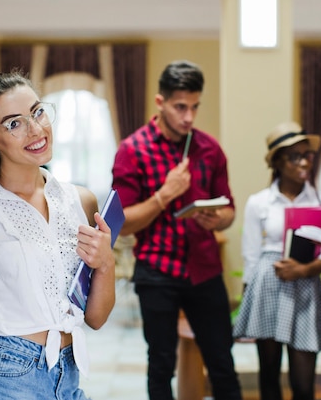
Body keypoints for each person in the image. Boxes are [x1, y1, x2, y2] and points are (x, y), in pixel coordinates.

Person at [0, 71, 116, 400]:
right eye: (14, 123)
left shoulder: (81, 201)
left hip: (67, 376)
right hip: (6, 380)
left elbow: (96, 319)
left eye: (37, 112)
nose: (35, 129)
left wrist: (106, 263)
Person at [111, 60, 242, 400]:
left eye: (195, 107)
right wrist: (163, 196)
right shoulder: (132, 151)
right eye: (180, 107)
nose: (188, 117)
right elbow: (121, 223)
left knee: (222, 363)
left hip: (205, 269)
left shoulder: (209, 149)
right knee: (161, 364)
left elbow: (229, 209)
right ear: (160, 102)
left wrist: (219, 219)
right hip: (156, 271)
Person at [232, 121, 321, 400]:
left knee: (303, 382)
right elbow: (251, 255)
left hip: (306, 288)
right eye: (296, 156)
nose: (305, 162)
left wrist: (308, 268)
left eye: (308, 155)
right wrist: (248, 300)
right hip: (268, 286)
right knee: (269, 374)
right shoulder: (260, 202)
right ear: (278, 163)